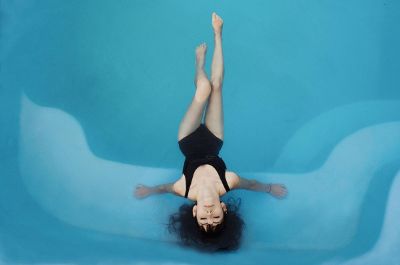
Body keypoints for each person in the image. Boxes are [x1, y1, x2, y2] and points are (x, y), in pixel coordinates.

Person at [134, 12, 288, 251]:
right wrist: (270, 189)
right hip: (214, 141)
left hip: (187, 139)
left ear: (194, 212)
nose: (209, 214)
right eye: (215, 217)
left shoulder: (184, 190)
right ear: (223, 209)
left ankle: (198, 63)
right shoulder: (229, 181)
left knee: (203, 88)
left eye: (203, 218)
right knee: (216, 87)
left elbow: (164, 188)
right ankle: (218, 34)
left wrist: (149, 191)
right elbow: (252, 184)